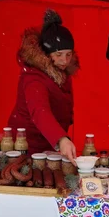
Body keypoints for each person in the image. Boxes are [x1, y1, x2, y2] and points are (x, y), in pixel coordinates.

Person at [8, 9, 78, 162]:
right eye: (58, 54)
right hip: (27, 150)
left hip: (50, 147)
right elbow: (40, 111)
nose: (64, 60)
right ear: (46, 54)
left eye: (68, 54)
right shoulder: (34, 78)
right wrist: (61, 139)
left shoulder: (61, 72)